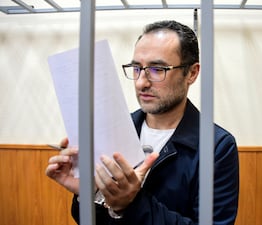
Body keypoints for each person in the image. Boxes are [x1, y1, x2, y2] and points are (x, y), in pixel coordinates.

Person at [46, 20, 239, 225]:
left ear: (191, 73)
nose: (141, 82)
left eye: (157, 69)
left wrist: (131, 203)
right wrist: (90, 194)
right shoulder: (118, 128)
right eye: (137, 68)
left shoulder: (217, 147)